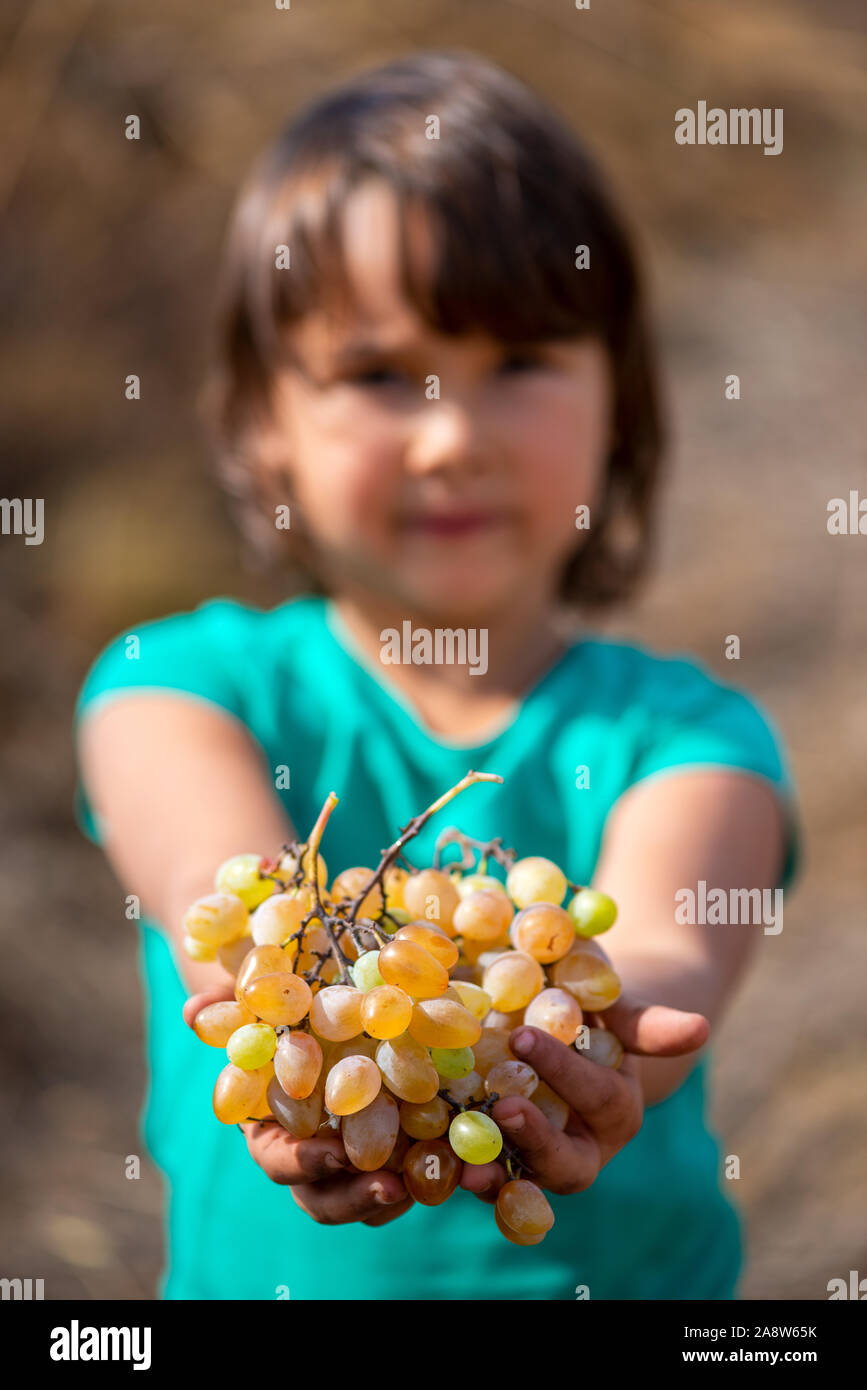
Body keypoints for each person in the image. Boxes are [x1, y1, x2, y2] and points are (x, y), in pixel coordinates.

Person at [74, 50, 799, 1300]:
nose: (451, 436)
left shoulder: (691, 737)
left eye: (518, 364)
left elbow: (668, 951)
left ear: (619, 404)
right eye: (374, 375)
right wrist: (283, 1001)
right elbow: (222, 895)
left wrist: (617, 1042)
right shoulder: (175, 687)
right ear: (261, 425)